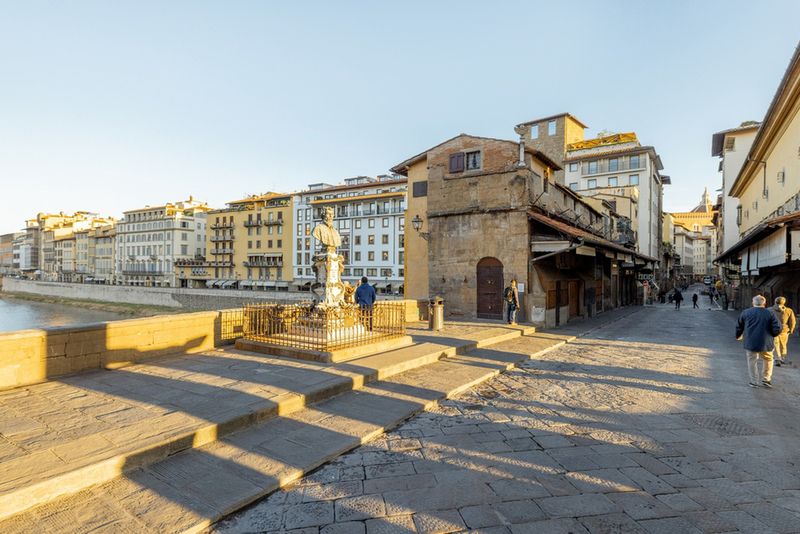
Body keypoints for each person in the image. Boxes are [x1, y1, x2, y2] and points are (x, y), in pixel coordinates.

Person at [736, 295, 782, 388]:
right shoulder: (770, 313)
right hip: (766, 342)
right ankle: (766, 379)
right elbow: (778, 327)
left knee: (752, 361)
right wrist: (772, 335)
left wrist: (738, 335)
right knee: (768, 359)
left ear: (753, 303)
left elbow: (739, 326)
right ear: (764, 303)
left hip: (751, 342)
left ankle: (754, 382)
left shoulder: (746, 312)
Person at [770, 297, 797, 366]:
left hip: (773, 329)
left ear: (775, 302)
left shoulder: (769, 310)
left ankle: (777, 359)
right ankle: (782, 357)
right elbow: (792, 321)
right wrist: (791, 329)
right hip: (784, 330)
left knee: (775, 344)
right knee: (783, 344)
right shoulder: (789, 310)